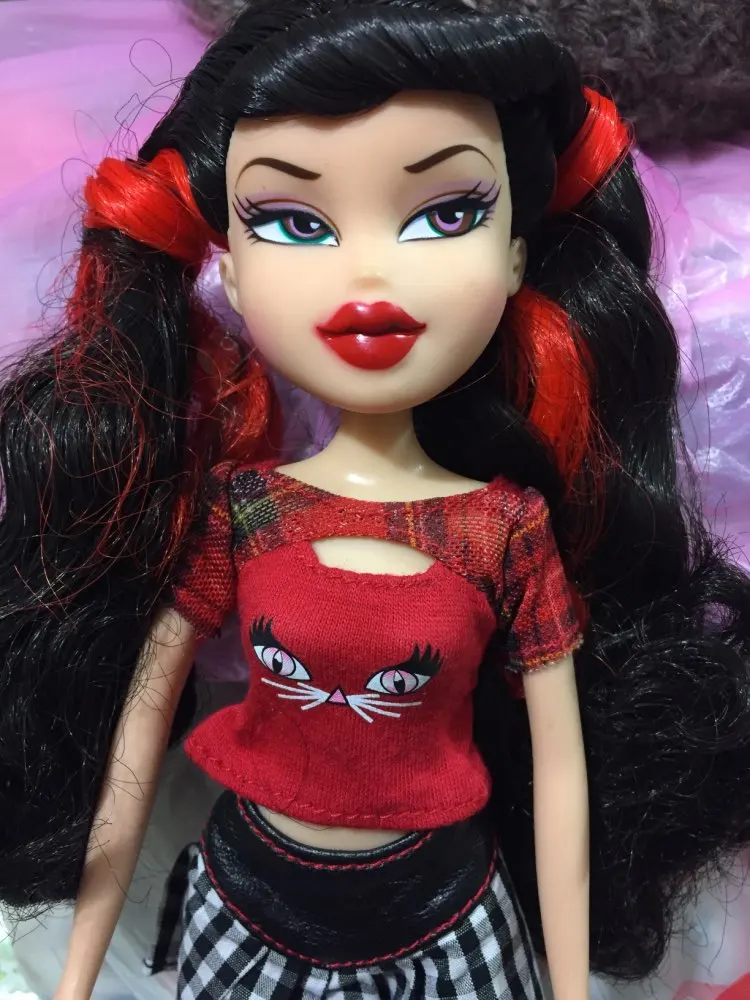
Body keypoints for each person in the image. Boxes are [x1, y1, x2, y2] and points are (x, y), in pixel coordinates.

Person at [1, 2, 749, 998]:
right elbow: (133, 746)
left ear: (516, 256)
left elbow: (566, 774)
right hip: (247, 902)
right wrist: (76, 975)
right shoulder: (246, 511)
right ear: (232, 266)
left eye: (447, 212)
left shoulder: (503, 529)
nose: (368, 272)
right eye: (292, 221)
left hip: (447, 915)